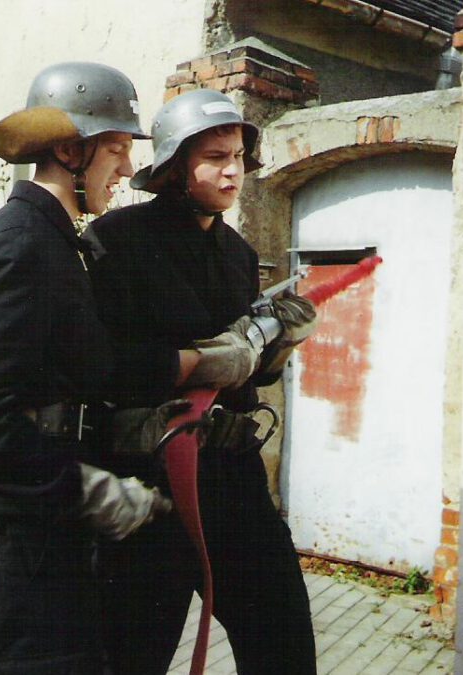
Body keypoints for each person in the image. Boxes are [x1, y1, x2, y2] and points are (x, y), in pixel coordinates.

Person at [0, 62, 173, 675]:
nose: (126, 168)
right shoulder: (23, 243)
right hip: (12, 532)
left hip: (36, 523)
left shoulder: (58, 242)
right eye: (116, 148)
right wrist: (83, 488)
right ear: (71, 150)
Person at [84, 89, 319, 675]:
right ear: (174, 164)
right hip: (149, 481)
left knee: (283, 639)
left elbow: (242, 371)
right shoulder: (117, 240)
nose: (233, 170)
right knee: (131, 656)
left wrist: (273, 348)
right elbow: (97, 361)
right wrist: (191, 361)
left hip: (232, 477)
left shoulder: (239, 254)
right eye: (215, 156)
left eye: (238, 155)